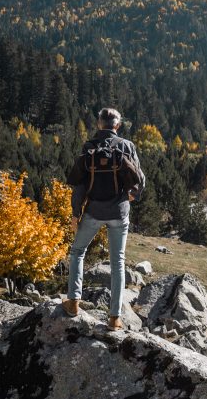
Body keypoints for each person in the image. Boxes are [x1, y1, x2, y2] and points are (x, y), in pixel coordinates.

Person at [62, 107, 145, 329]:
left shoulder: (89, 147)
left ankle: (73, 303)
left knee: (78, 252)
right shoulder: (127, 146)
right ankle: (114, 318)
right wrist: (132, 195)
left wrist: (75, 213)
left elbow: (79, 185)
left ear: (99, 124)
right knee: (118, 262)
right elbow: (140, 178)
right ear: (117, 125)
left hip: (93, 211)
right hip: (119, 211)